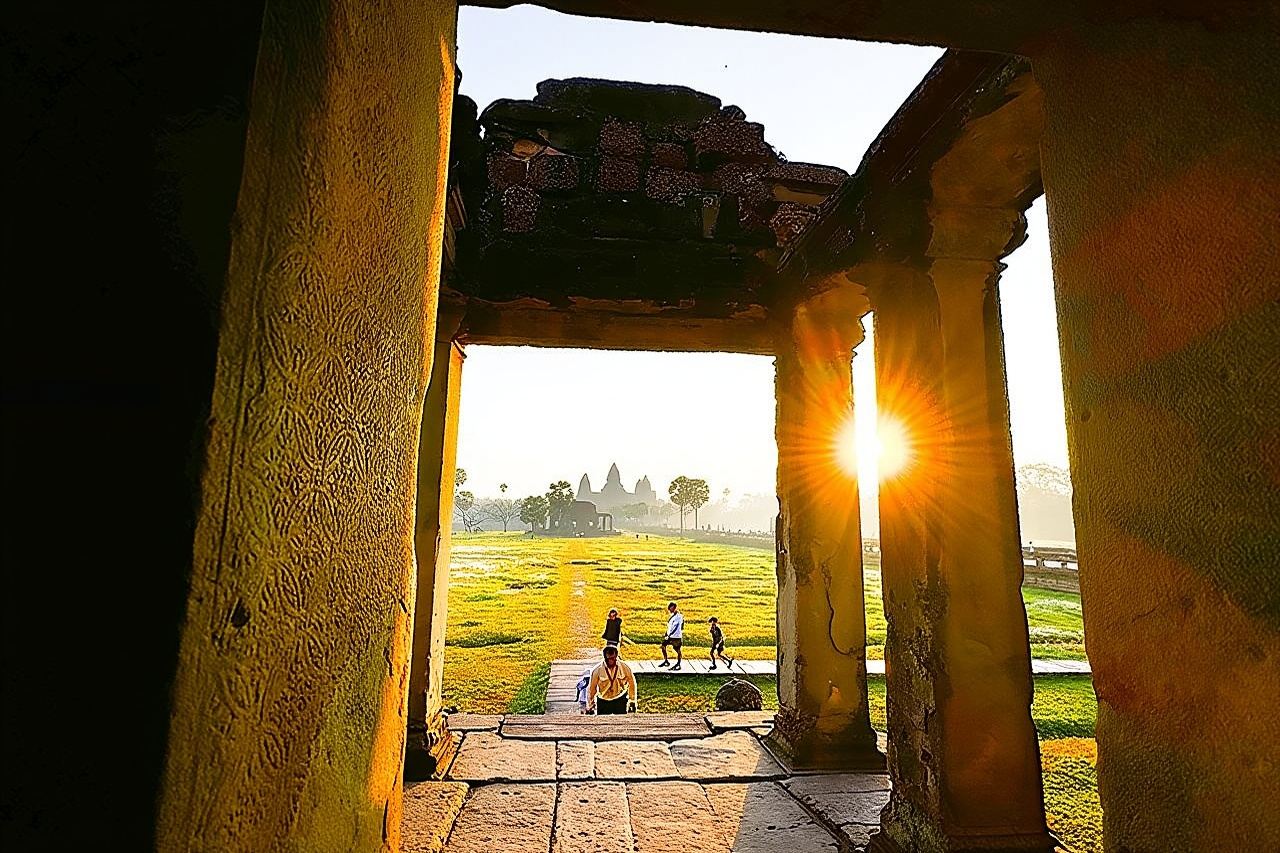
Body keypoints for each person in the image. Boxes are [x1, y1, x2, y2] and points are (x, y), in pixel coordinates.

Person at [587, 645, 637, 715]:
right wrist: (591, 704)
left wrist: (632, 700)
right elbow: (592, 689)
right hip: (603, 701)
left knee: (621, 723)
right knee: (602, 724)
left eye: (613, 658)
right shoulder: (597, 670)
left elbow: (632, 683)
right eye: (609, 659)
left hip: (620, 699)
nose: (611, 661)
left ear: (616, 656)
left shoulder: (624, 668)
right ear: (605, 658)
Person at [657, 601, 684, 670]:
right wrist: (667, 633)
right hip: (670, 636)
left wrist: (670, 634)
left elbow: (676, 627)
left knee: (677, 650)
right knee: (663, 646)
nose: (669, 610)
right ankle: (666, 661)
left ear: (675, 608)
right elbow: (670, 626)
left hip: (676, 637)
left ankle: (678, 664)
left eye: (671, 608)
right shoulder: (672, 616)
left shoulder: (679, 616)